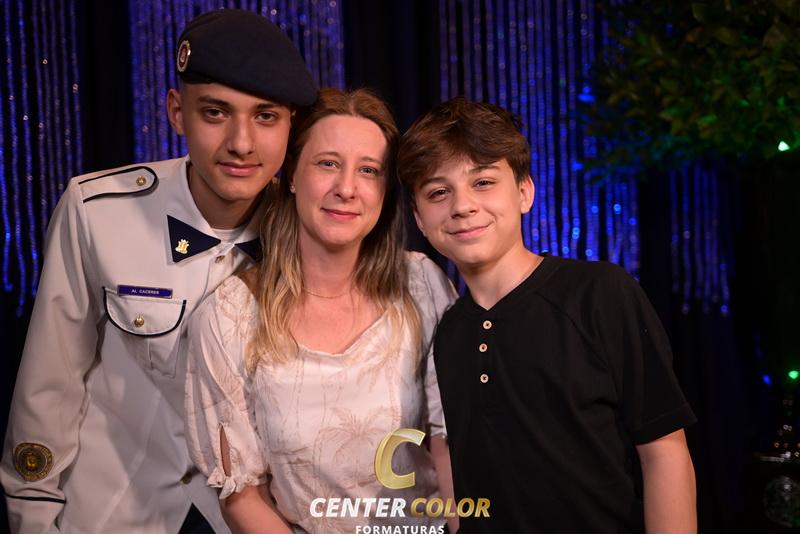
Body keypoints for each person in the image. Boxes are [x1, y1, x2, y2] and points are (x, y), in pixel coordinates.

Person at [0, 9, 317, 534]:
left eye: (266, 117)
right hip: (113, 517)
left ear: (291, 127)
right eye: (215, 113)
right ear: (176, 112)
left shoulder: (315, 233)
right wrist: (33, 516)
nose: (241, 142)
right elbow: (49, 387)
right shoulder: (98, 212)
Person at [397, 97, 697, 533]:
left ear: (524, 192)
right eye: (439, 192)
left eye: (483, 182)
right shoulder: (448, 333)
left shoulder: (599, 294)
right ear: (420, 219)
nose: (462, 205)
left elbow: (664, 451)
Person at [184, 88, 457, 534]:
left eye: (368, 170)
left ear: (384, 190)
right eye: (328, 163)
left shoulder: (421, 285)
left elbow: (451, 443)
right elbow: (241, 497)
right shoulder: (229, 315)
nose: (346, 189)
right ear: (292, 174)